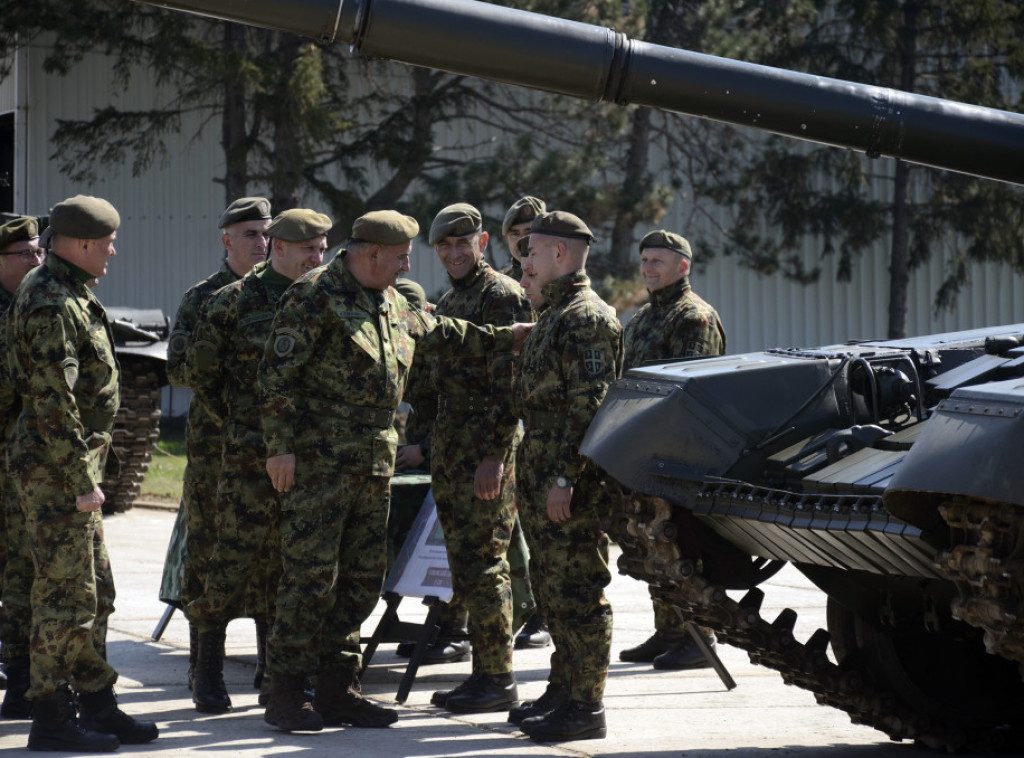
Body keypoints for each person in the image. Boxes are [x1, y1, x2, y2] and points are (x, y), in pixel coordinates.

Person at [258, 210, 532, 733]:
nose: (410, 264)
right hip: (318, 463)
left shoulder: (389, 299)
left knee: (361, 580)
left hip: (372, 461)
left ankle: (340, 690)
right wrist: (280, 449)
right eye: (402, 256)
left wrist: (507, 337)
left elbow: (443, 332)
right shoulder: (314, 296)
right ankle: (287, 691)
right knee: (310, 578)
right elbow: (276, 380)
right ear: (371, 253)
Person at [8, 195, 159, 751]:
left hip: (69, 469)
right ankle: (49, 718)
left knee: (97, 592)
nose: (114, 252)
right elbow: (52, 402)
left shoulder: (70, 292)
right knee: (64, 599)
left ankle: (96, 702)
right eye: (109, 243)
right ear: (83, 244)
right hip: (56, 474)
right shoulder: (49, 299)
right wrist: (80, 480)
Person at [184, 209, 329, 714]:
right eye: (308, 248)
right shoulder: (229, 302)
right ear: (281, 246)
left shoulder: (321, 299)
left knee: (288, 565)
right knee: (228, 561)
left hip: (304, 457)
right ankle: (206, 669)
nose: (318, 258)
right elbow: (201, 373)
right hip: (245, 457)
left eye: (322, 248)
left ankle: (277, 673)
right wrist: (247, 425)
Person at [510, 211, 622, 743]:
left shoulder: (586, 318)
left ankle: (587, 706)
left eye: (530, 252)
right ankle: (564, 688)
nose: (524, 261)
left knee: (579, 591)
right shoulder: (554, 314)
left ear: (559, 254)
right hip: (541, 474)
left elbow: (590, 406)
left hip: (567, 482)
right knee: (551, 590)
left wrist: (564, 478)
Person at [418, 203, 533, 713]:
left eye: (462, 243)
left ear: (483, 244)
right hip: (451, 455)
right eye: (444, 245)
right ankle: (485, 673)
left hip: (484, 461)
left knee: (487, 568)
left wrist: (495, 456)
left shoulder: (502, 297)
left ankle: (497, 679)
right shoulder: (448, 300)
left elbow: (512, 388)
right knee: (467, 569)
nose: (453, 253)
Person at [165, 197, 271, 689]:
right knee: (207, 552)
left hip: (268, 450)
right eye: (250, 233)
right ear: (227, 239)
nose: (260, 242)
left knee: (271, 551)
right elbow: (181, 368)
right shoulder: (203, 296)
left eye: (265, 233)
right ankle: (205, 665)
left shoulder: (283, 294)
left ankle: (273, 664)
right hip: (215, 451)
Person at [618, 229, 726, 670]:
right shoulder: (644, 317)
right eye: (644, 261)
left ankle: (701, 636)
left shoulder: (693, 317)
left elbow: (688, 396)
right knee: (650, 544)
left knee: (680, 547)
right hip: (640, 453)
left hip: (676, 456)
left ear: (683, 266)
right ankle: (670, 629)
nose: (647, 269)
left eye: (657, 262)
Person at [0, 217, 46, 720]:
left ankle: (19, 677)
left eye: (37, 253)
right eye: (24, 256)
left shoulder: (36, 308)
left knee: (22, 572)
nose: (36, 262)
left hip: (23, 466)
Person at [500, 195, 545, 283]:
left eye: (529, 233)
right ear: (507, 238)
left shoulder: (561, 277)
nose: (522, 240)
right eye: (515, 234)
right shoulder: (501, 284)